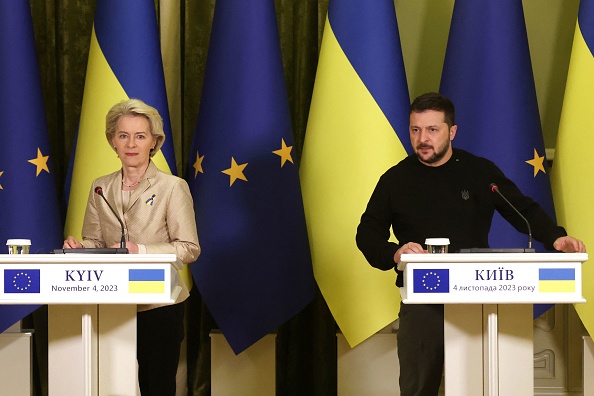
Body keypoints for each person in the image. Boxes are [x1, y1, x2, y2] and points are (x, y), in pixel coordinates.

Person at [355, 92, 585, 396]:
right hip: (424, 301)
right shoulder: (395, 179)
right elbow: (367, 233)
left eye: (432, 130)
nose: (422, 138)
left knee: (481, 384)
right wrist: (395, 252)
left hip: (481, 296)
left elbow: (522, 209)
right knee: (418, 388)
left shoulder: (479, 172)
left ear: (452, 132)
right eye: (415, 130)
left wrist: (556, 237)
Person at [63, 98, 200, 396]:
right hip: (113, 302)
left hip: (160, 303)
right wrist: (78, 247)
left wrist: (144, 251)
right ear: (113, 141)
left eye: (140, 136)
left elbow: (189, 248)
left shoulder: (172, 187)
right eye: (123, 135)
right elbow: (97, 241)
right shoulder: (101, 187)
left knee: (156, 386)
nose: (131, 144)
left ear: (154, 141)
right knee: (114, 383)